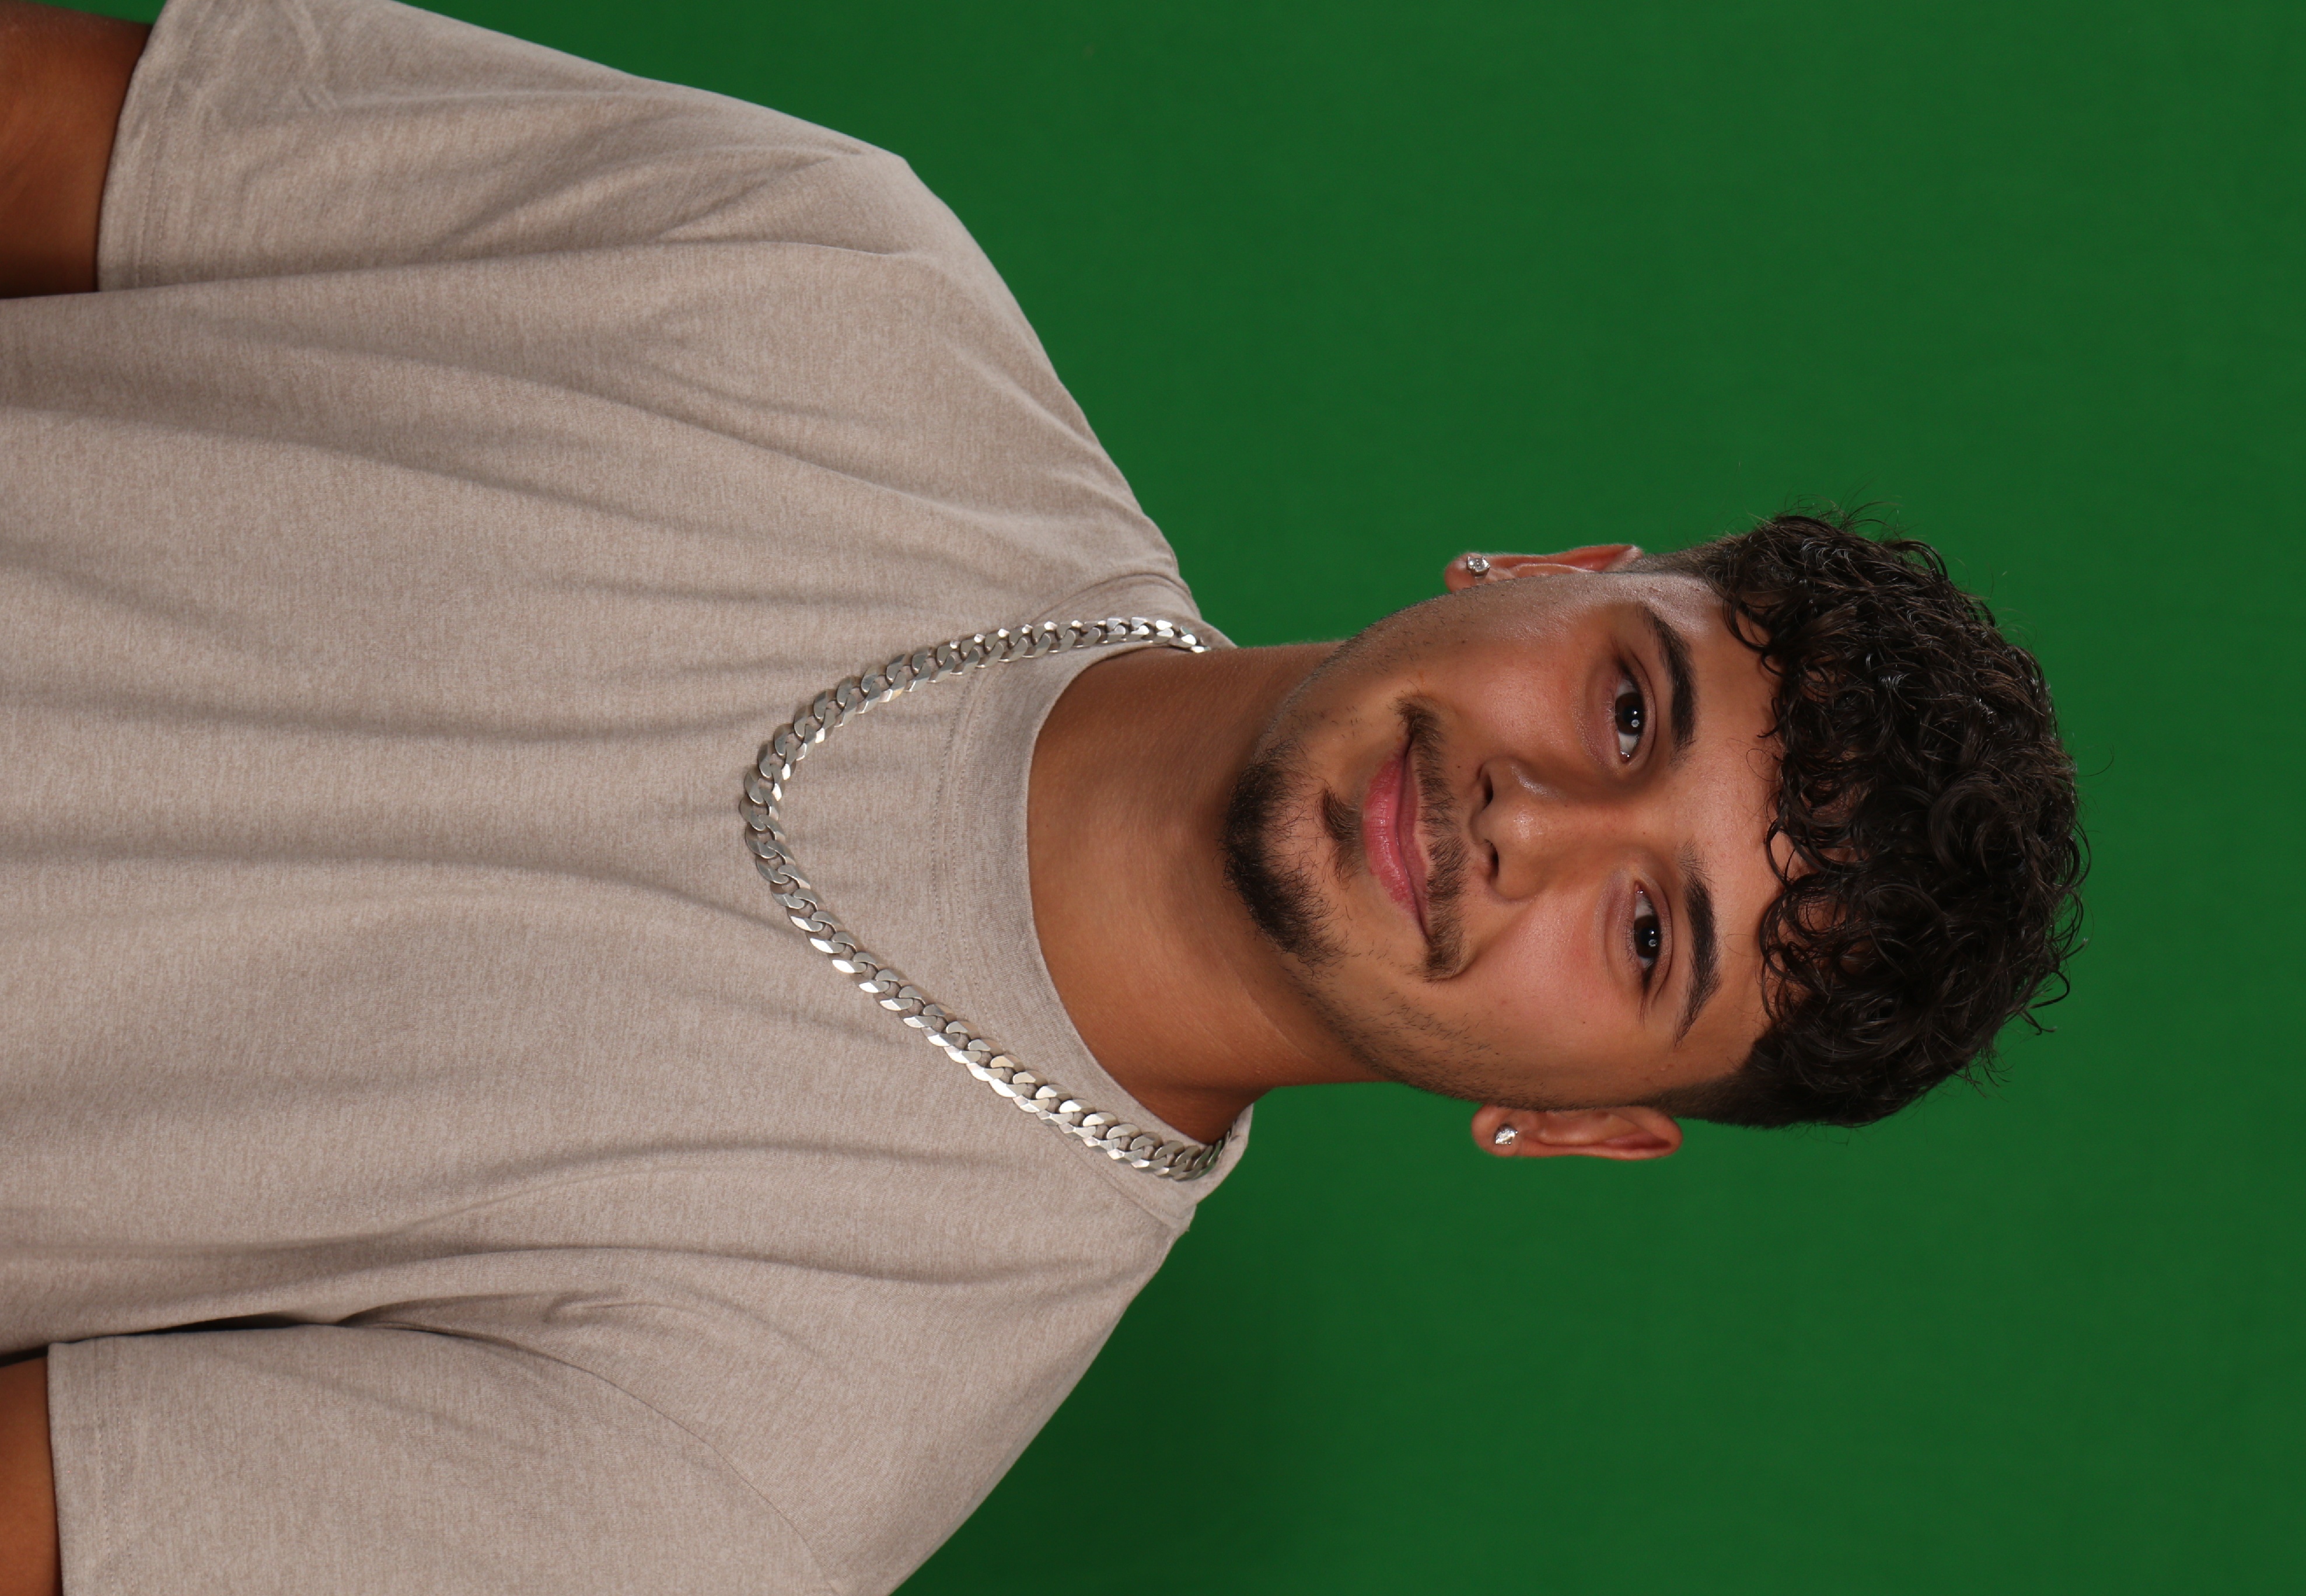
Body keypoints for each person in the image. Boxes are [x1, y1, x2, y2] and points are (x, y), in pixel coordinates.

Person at [0, 0, 2084, 1590]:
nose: (1531, 821)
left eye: (1646, 936)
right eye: (1629, 709)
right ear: (1547, 568)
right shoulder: (841, 288)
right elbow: (49, 135)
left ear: (1575, 1126)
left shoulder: (787, 1456)